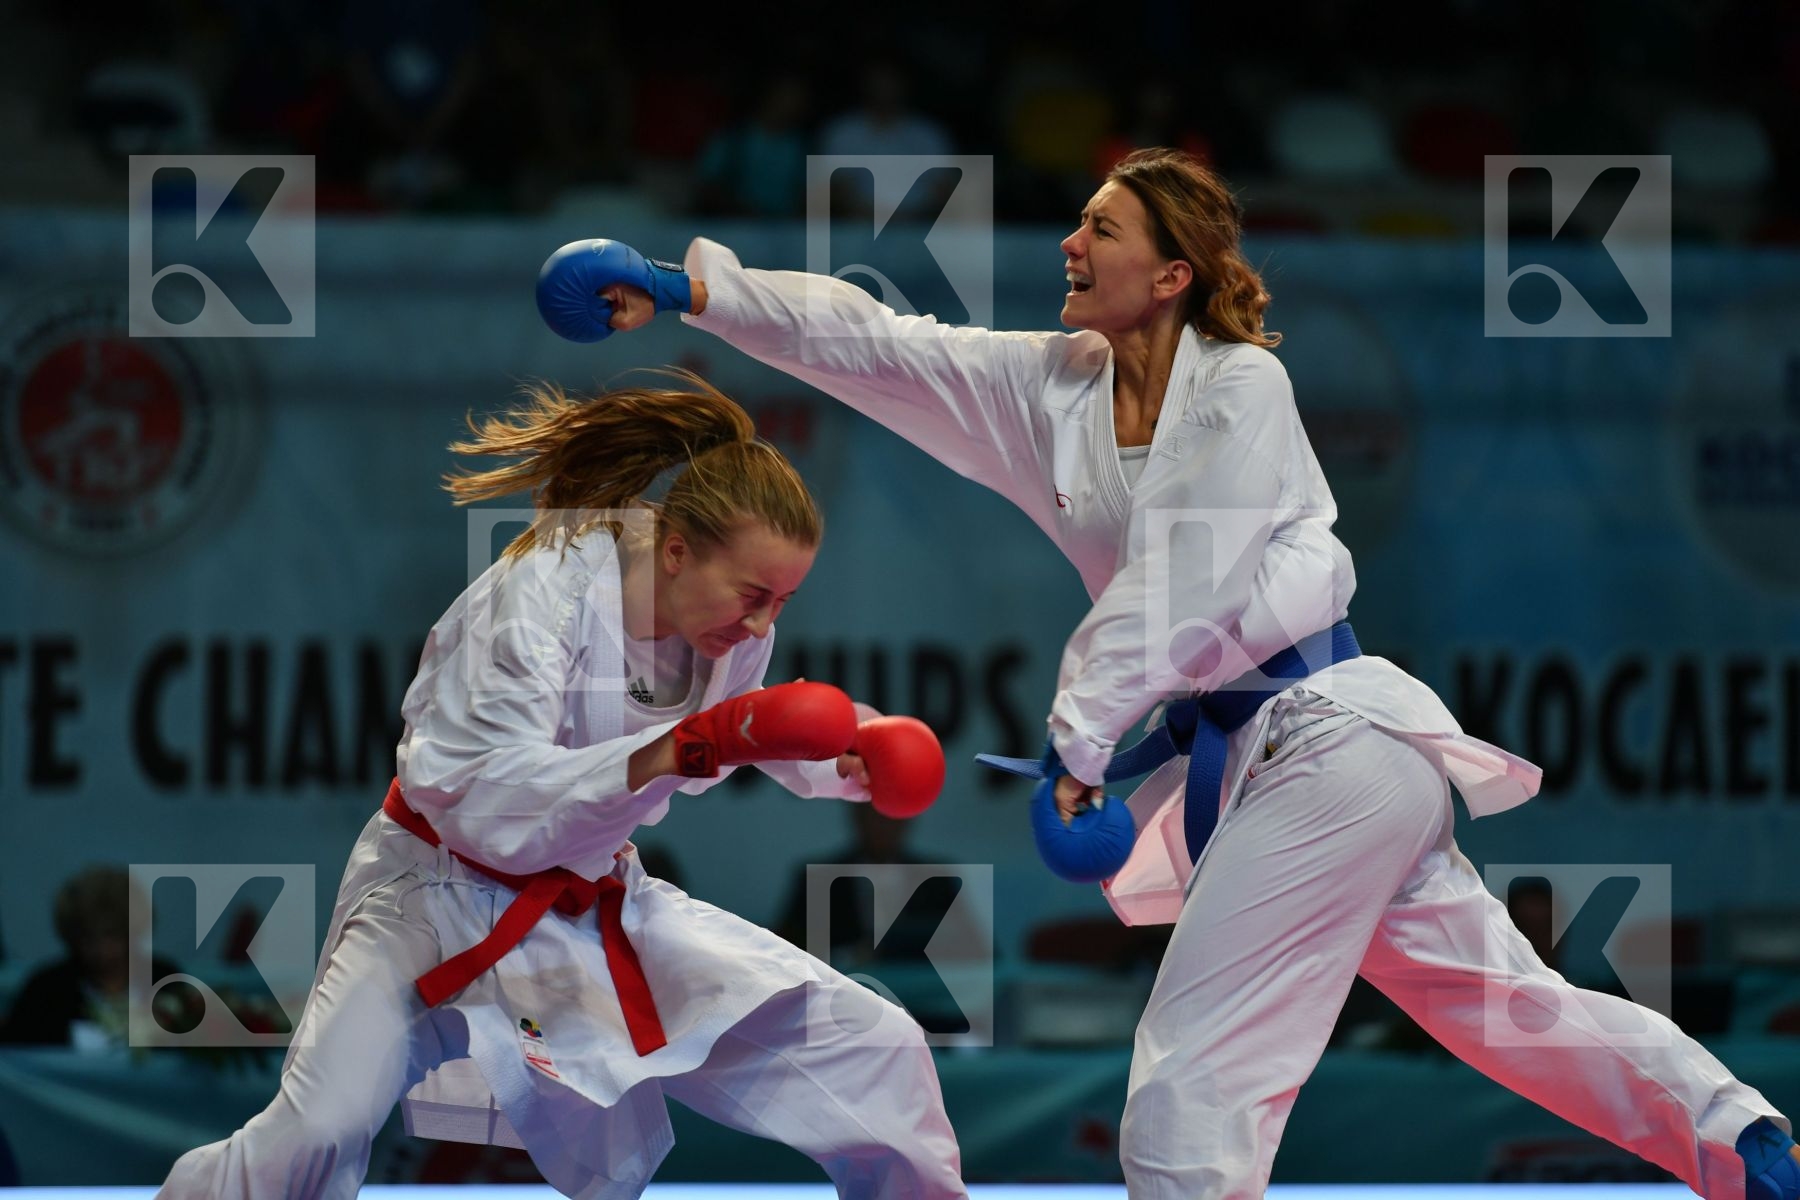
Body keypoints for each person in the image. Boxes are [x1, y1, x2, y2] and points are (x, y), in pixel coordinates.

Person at [543, 148, 1800, 1199]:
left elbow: (1183, 578)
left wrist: (1083, 746)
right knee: (1499, 1003)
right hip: (1281, 766)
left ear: (1173, 272)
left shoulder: (1242, 387)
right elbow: (876, 343)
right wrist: (691, 288)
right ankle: (1743, 1141)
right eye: (1078, 226)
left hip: (1326, 739)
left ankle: (1735, 1135)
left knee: (1192, 1086)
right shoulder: (1055, 389)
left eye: (1101, 228)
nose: (1070, 246)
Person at [158, 372, 965, 1199]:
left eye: (783, 602)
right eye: (754, 596)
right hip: (428, 903)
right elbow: (481, 798)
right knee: (316, 1137)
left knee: (874, 1046)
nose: (762, 624)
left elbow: (743, 729)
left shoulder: (727, 628)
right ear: (678, 550)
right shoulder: (541, 593)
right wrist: (675, 748)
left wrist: (850, 751)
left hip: (584, 902)